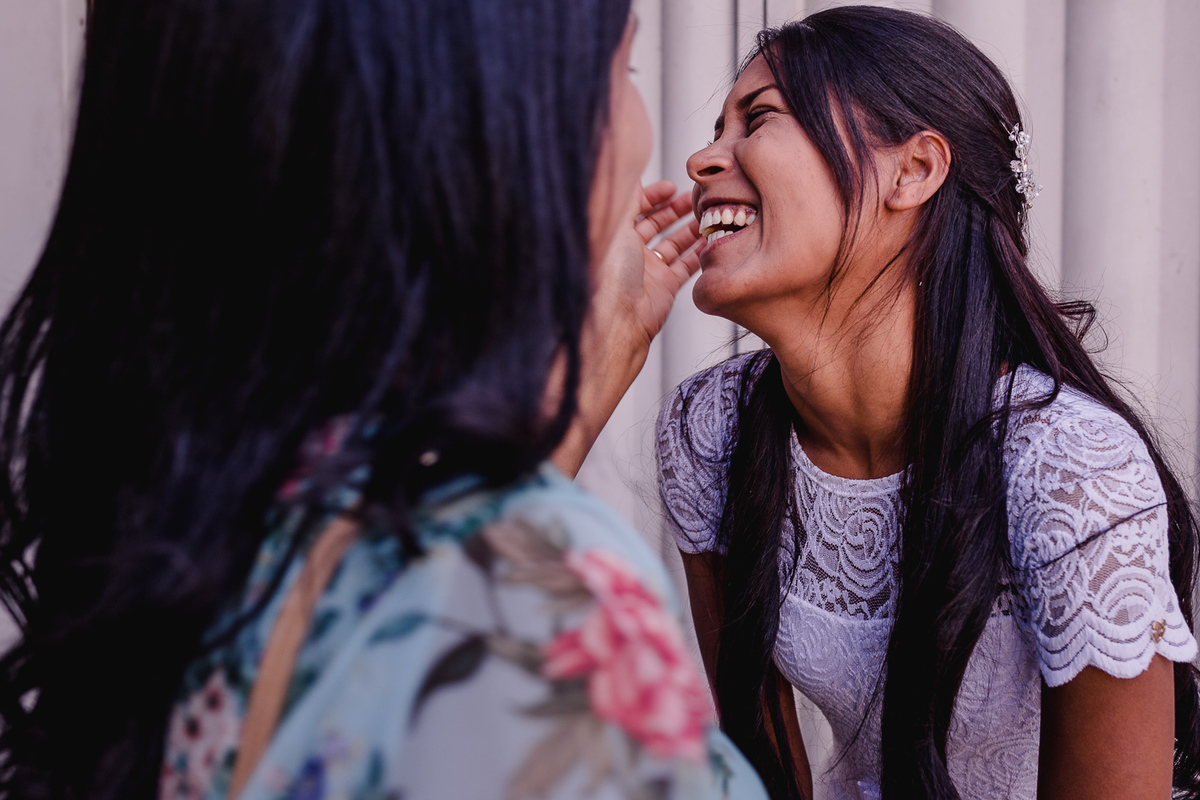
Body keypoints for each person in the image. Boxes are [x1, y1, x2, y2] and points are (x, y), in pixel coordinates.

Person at [0, 1, 769, 799]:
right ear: (486, 125)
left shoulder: (200, 513)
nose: (683, 152)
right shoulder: (531, 610)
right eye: (623, 72)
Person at [655, 7, 1200, 800]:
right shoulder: (712, 430)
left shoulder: (1071, 465)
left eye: (758, 119)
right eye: (715, 129)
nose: (705, 159)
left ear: (911, 172)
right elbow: (760, 766)